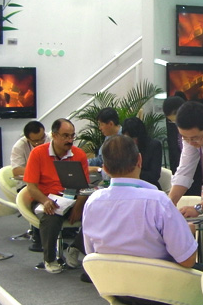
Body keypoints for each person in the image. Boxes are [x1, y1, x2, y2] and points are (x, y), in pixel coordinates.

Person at [82, 134, 198, 305]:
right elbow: (187, 260)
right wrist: (188, 233)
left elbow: (91, 254)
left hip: (116, 290)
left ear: (104, 167)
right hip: (161, 293)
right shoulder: (157, 201)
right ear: (140, 161)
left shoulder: (92, 202)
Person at [23, 118, 90, 274]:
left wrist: (78, 206)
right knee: (51, 215)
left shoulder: (79, 155)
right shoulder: (38, 153)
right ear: (54, 135)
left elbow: (84, 187)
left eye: (72, 136)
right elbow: (31, 186)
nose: (70, 140)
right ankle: (50, 258)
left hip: (72, 199)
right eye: (65, 136)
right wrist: (45, 200)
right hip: (46, 198)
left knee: (97, 213)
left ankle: (75, 247)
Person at [10, 120, 50, 252]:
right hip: (27, 185)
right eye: (35, 141)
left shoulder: (50, 139)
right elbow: (16, 171)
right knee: (38, 197)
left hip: (49, 183)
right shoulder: (19, 146)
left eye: (42, 139)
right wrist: (37, 169)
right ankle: (39, 239)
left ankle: (61, 234)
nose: (40, 143)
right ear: (28, 139)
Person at [163, 94, 203, 196]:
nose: (175, 123)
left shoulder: (197, 124)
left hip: (200, 171)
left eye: (175, 120)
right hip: (183, 170)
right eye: (171, 121)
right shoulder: (173, 128)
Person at [122, 117, 163, 189]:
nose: (130, 142)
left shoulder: (154, 145)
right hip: (128, 186)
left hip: (148, 186)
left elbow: (154, 175)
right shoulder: (124, 146)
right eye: (127, 138)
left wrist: (132, 172)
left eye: (133, 138)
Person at [88, 107, 122, 172]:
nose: (99, 128)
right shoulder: (108, 137)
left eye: (101, 124)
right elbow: (100, 160)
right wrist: (84, 162)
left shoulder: (125, 138)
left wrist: (97, 169)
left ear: (111, 124)